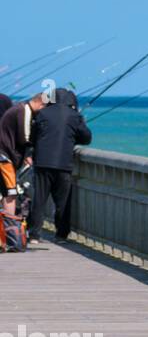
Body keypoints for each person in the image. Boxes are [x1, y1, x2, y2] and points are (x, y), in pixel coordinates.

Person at [30, 88, 92, 242]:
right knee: (62, 201)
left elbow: (33, 136)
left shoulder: (43, 113)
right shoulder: (74, 116)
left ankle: (34, 234)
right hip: (63, 164)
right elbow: (86, 138)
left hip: (42, 163)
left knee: (39, 199)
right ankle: (61, 234)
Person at [0, 92, 47, 250]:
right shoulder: (24, 112)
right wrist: (30, 153)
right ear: (41, 104)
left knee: (5, 192)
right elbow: (24, 138)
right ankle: (10, 234)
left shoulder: (19, 109)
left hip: (4, 155)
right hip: (4, 157)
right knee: (10, 193)